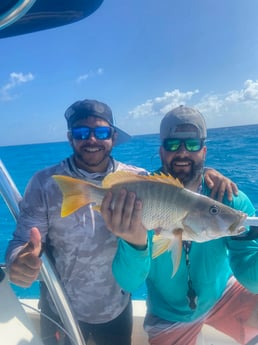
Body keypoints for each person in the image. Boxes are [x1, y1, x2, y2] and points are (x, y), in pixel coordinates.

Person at [5, 100, 239, 345]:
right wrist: (19, 260)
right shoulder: (45, 183)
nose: (92, 139)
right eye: (81, 132)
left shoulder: (139, 178)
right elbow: (23, 240)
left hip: (116, 308)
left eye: (102, 132)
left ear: (113, 136)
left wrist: (209, 173)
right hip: (61, 307)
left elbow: (175, 190)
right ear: (70, 138)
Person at [102, 105, 258, 345]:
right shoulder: (140, 199)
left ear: (204, 151)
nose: (183, 152)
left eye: (192, 145)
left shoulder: (230, 199)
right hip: (168, 314)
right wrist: (134, 244)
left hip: (222, 295)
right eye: (173, 144)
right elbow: (129, 283)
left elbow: (250, 277)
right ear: (162, 152)